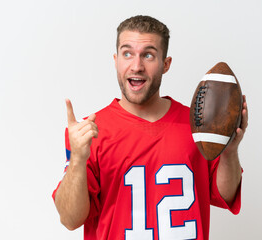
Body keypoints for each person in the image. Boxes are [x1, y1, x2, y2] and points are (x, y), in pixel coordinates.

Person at [52, 15, 248, 240]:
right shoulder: (88, 132)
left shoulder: (197, 125)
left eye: (148, 55)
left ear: (166, 64)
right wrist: (77, 158)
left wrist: (230, 151)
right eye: (127, 54)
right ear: (116, 60)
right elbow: (70, 219)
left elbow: (226, 194)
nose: (137, 66)